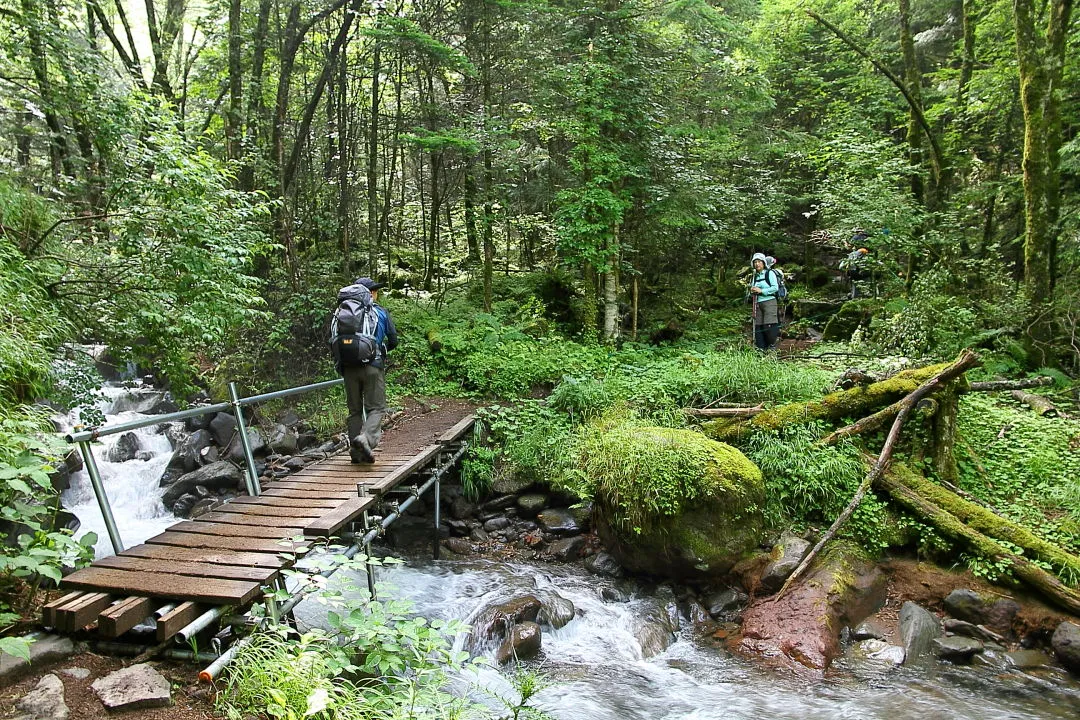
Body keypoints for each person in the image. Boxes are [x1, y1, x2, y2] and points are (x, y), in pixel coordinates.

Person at [336, 277, 398, 464]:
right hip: (373, 366)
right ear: (370, 293)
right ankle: (366, 440)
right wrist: (383, 350)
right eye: (375, 290)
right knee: (377, 407)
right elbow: (394, 340)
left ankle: (356, 454)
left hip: (348, 368)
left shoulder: (341, 313)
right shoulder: (380, 312)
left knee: (354, 411)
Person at [748, 252, 781, 351]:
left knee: (769, 325)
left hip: (769, 302)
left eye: (759, 262)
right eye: (755, 262)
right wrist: (752, 290)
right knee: (758, 326)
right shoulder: (755, 276)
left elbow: (775, 288)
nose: (757, 264)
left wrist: (761, 291)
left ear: (763, 263)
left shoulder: (769, 273)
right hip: (758, 303)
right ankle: (761, 349)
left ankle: (772, 346)